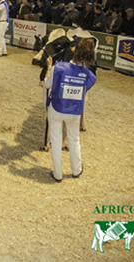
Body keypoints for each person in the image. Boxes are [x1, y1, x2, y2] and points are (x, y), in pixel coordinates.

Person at [44, 38, 97, 182]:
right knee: (74, 140)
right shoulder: (89, 75)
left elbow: (47, 84)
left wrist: (49, 67)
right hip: (74, 112)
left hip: (56, 109)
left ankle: (57, 174)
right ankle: (76, 170)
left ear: (74, 51)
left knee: (56, 141)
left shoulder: (59, 67)